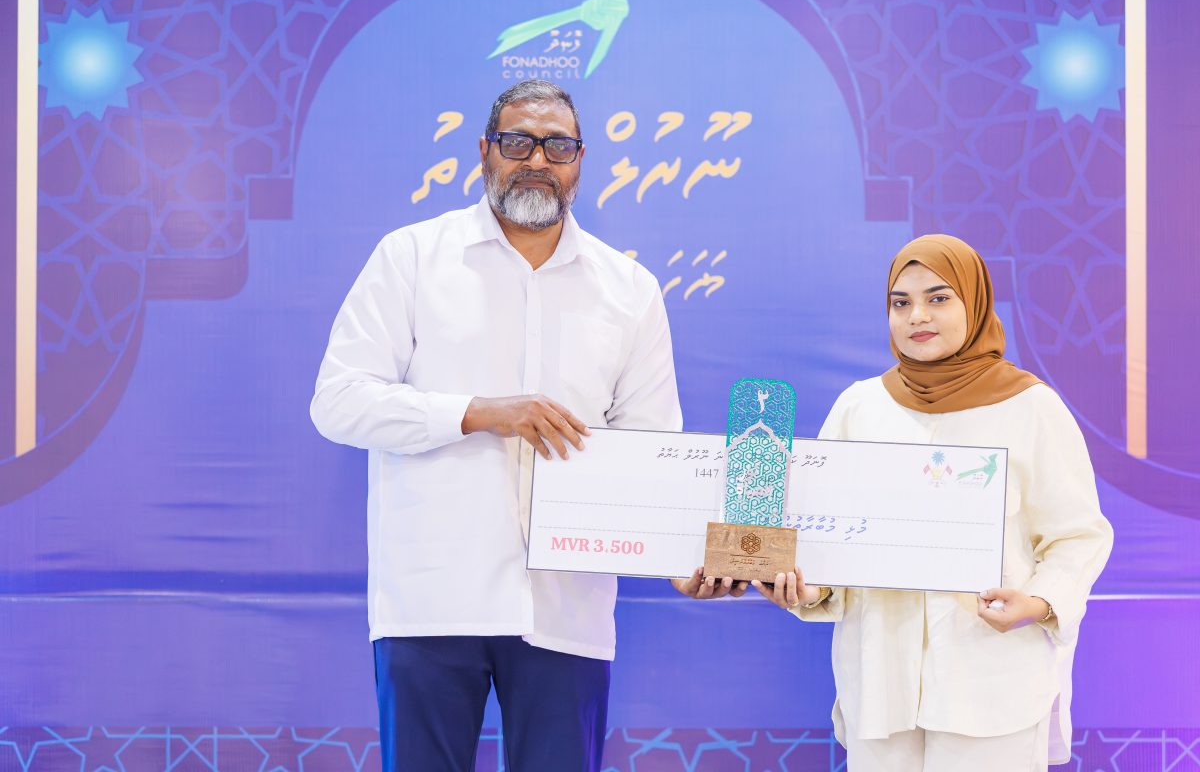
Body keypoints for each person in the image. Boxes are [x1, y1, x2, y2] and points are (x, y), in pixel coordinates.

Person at [310, 80, 683, 772]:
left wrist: (682, 561)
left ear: (580, 161)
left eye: (558, 146)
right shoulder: (412, 257)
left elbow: (651, 452)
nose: (537, 159)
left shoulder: (629, 290)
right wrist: (478, 412)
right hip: (431, 598)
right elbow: (338, 400)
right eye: (518, 142)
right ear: (484, 151)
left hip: (566, 608)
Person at [754, 234, 1113, 771]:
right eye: (900, 303)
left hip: (989, 680)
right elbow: (825, 534)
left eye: (939, 298)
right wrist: (809, 587)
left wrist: (1038, 602)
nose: (917, 316)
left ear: (975, 302)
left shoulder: (1031, 407)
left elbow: (1078, 536)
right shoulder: (859, 407)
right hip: (881, 684)